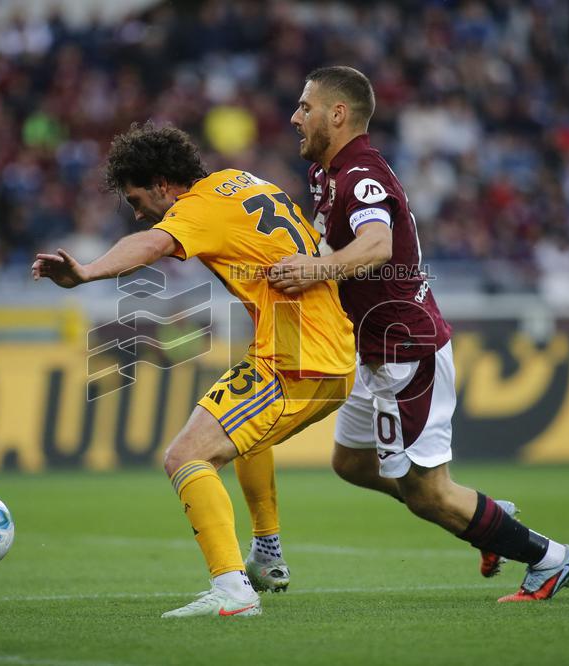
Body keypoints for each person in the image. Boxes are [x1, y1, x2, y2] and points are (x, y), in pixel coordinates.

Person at [266, 65, 569, 602]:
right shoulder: (327, 173)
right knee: (351, 463)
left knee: (427, 493)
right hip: (370, 349)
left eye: (305, 107)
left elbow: (377, 246)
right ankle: (484, 517)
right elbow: (335, 247)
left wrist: (314, 270)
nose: (295, 117)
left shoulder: (362, 174)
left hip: (404, 352)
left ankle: (548, 558)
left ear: (337, 115)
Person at [32, 122, 355, 617]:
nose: (138, 213)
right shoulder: (242, 182)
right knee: (244, 437)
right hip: (317, 347)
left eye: (137, 199)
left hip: (299, 360)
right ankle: (267, 554)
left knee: (185, 456)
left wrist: (88, 272)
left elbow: (152, 244)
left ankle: (233, 591)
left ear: (163, 184)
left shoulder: (198, 208)